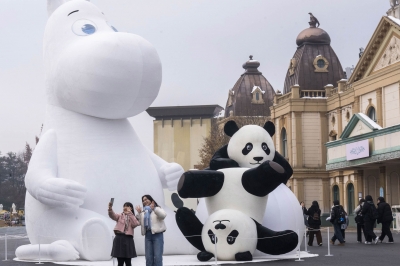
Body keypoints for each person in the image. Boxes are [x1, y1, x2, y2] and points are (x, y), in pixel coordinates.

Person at [136, 195, 166, 266]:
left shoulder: (157, 208)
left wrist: (154, 209)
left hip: (157, 235)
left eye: (146, 199)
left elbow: (163, 216)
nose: (145, 201)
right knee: (148, 257)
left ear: (151, 200)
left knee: (158, 257)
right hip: (148, 235)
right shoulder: (144, 212)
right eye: (143, 200)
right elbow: (139, 223)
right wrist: (139, 213)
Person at [108, 202, 140, 266]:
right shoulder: (120, 215)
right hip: (119, 238)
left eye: (127, 206)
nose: (125, 207)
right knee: (120, 262)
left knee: (128, 262)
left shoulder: (133, 216)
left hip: (128, 239)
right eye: (124, 206)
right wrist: (110, 209)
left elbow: (136, 224)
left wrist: (130, 214)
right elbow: (113, 216)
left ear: (131, 208)